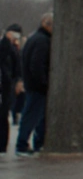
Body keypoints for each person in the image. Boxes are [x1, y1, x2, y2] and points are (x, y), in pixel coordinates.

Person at [15, 13, 51, 156]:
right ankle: (22, 144)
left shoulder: (34, 38)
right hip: (37, 85)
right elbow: (36, 64)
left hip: (32, 83)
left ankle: (38, 142)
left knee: (37, 115)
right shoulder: (42, 41)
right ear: (46, 24)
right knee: (31, 115)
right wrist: (43, 82)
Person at [0, 24, 20, 153]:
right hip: (5, 84)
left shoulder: (9, 48)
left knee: (3, 115)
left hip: (4, 84)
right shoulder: (8, 47)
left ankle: (2, 145)